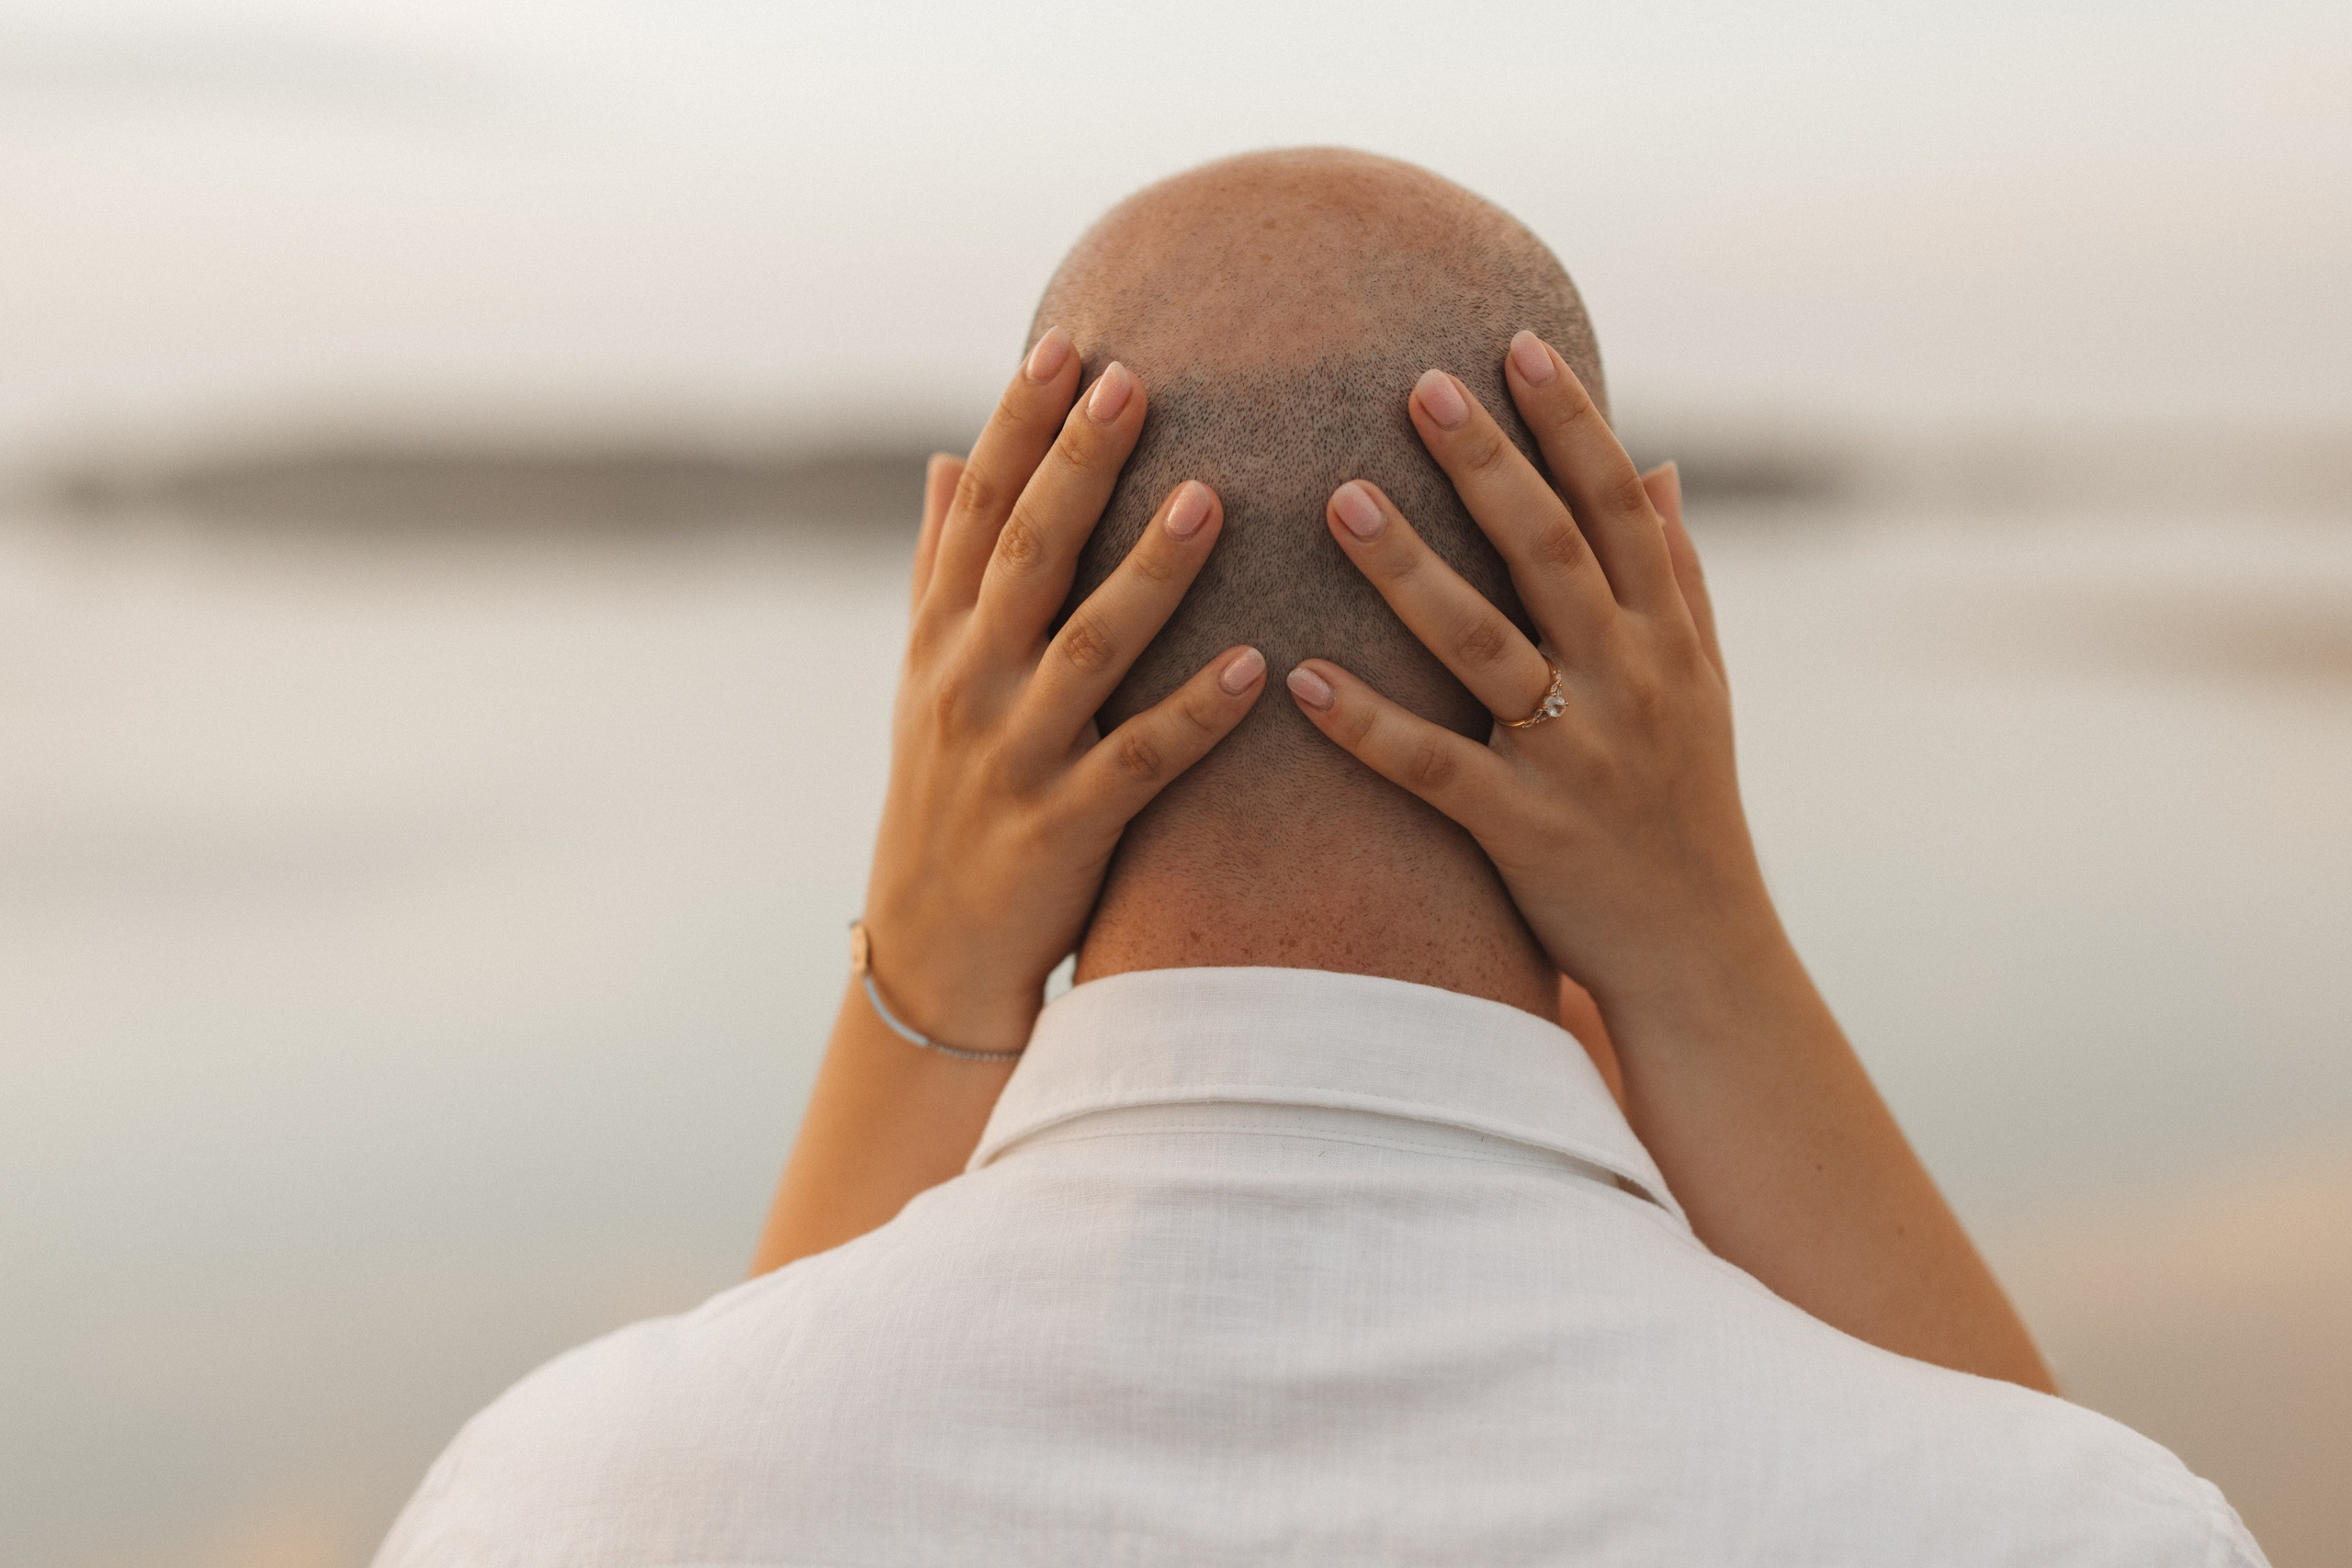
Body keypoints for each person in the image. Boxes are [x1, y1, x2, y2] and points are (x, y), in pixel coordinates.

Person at [373, 150, 2265, 1566]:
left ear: (991, 657)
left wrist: (922, 975)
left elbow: (761, 1441)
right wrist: (1708, 956)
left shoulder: (559, 1499)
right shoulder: (2053, 1522)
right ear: (1635, 641)